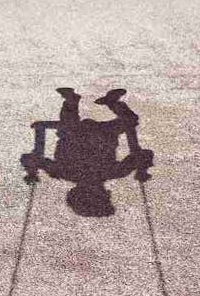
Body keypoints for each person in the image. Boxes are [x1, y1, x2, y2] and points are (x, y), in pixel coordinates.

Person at [21, 88, 153, 216]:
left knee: (70, 126)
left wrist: (142, 167)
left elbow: (30, 159)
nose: (95, 187)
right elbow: (145, 155)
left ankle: (72, 101)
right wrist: (142, 167)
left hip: (80, 132)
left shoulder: (65, 172)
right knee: (130, 120)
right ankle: (110, 102)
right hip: (103, 133)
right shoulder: (66, 172)